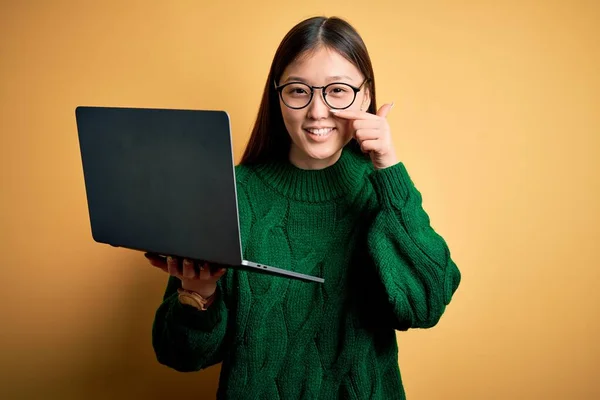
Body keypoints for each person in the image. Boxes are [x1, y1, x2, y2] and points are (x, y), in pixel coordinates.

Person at [145, 15, 461, 399]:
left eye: (338, 91)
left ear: (365, 95)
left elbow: (425, 306)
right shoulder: (230, 193)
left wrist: (389, 166)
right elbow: (178, 355)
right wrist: (198, 291)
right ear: (277, 95)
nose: (317, 111)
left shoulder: (383, 189)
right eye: (299, 91)